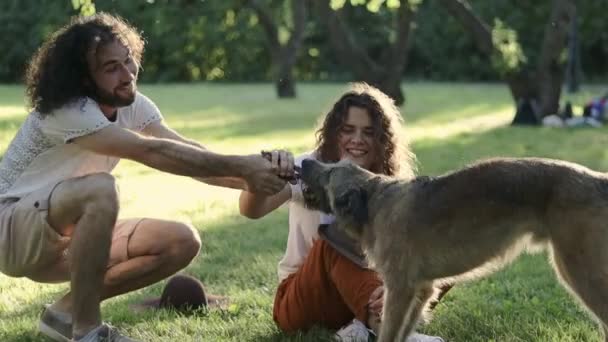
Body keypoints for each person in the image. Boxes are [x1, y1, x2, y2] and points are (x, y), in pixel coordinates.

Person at [0, 13, 292, 342]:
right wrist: (245, 167)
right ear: (83, 79)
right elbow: (152, 152)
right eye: (111, 68)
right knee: (100, 189)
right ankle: (87, 331)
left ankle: (63, 314)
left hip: (65, 238)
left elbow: (187, 151)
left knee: (181, 241)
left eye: (128, 61)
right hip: (10, 231)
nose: (127, 75)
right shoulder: (66, 109)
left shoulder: (131, 103)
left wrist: (274, 178)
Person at [239, 83, 446, 341]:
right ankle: (391, 333)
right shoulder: (311, 168)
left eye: (368, 132)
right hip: (302, 299)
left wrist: (393, 286)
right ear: (334, 133)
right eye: (348, 130)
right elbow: (251, 210)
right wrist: (266, 175)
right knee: (335, 240)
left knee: (444, 250)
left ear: (383, 140)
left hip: (361, 292)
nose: (357, 140)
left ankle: (359, 329)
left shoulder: (391, 183)